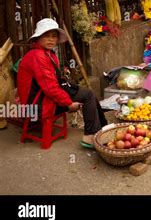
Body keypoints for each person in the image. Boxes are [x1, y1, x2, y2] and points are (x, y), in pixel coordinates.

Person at [17, 18, 108, 149]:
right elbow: (50, 88)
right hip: (37, 105)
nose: (51, 39)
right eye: (46, 36)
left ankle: (101, 130)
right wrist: (68, 103)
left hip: (43, 97)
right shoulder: (38, 56)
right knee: (88, 95)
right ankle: (91, 135)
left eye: (54, 36)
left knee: (88, 93)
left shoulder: (47, 53)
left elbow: (53, 82)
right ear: (37, 38)